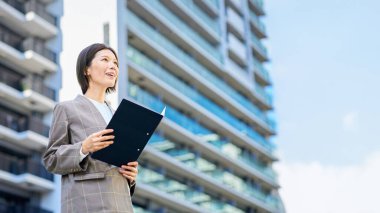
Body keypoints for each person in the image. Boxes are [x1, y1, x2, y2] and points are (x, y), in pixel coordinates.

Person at [43, 43, 138, 213]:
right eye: (105, 60)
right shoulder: (67, 109)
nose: (113, 66)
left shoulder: (120, 116)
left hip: (121, 204)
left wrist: (131, 176)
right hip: (87, 204)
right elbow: (51, 160)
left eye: (115, 63)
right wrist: (83, 148)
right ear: (86, 70)